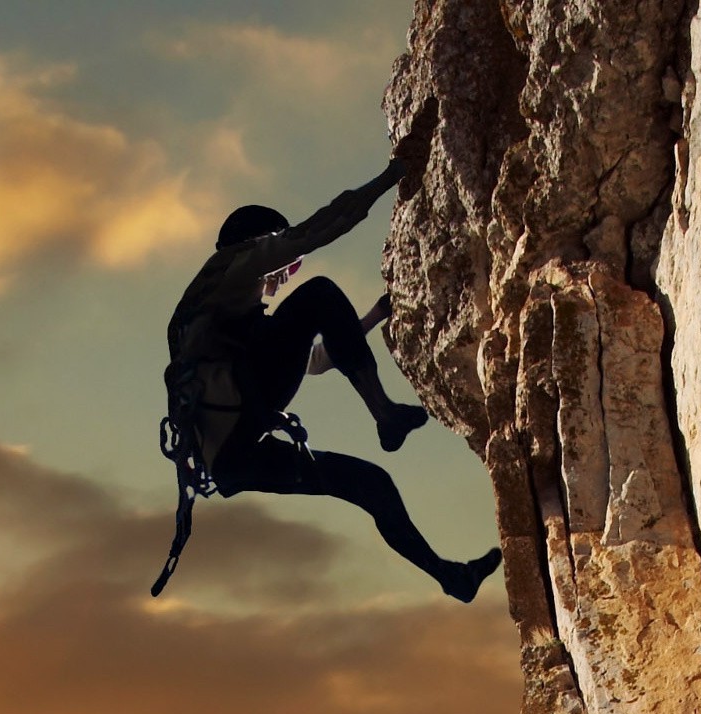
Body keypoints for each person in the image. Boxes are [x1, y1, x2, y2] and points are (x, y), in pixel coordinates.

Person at [151, 117, 502, 602]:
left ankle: (451, 577)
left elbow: (314, 361)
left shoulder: (213, 314)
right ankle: (384, 415)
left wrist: (376, 316)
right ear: (263, 246)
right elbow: (322, 229)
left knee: (371, 484)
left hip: (235, 459)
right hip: (242, 430)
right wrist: (394, 173)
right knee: (318, 295)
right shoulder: (234, 266)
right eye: (283, 266)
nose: (283, 277)